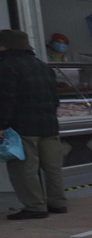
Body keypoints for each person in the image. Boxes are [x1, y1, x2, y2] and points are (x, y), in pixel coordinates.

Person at [0, 30, 68, 220]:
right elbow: (55, 100)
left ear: (5, 46)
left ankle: (35, 206)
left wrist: (1, 125)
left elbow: (6, 100)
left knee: (24, 169)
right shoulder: (42, 66)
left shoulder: (6, 66)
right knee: (52, 167)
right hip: (49, 125)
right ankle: (58, 202)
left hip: (23, 127)